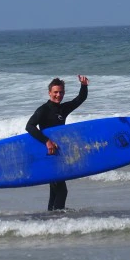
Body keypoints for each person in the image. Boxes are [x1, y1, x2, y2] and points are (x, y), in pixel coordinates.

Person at [25, 75, 89, 211]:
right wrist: (47, 141)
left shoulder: (62, 109)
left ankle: (51, 216)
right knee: (61, 190)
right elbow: (29, 126)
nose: (58, 95)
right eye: (55, 92)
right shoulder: (43, 110)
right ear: (49, 93)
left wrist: (84, 86)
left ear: (64, 93)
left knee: (55, 189)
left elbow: (79, 100)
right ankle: (58, 219)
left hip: (58, 153)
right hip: (49, 154)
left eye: (60, 92)